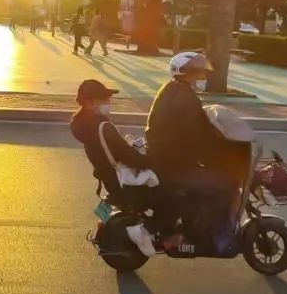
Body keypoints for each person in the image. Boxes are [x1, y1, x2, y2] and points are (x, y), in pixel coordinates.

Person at [145, 52, 238, 250]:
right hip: (175, 165)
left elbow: (195, 130)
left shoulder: (171, 89)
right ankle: (200, 233)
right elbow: (196, 136)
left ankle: (190, 226)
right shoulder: (185, 98)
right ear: (187, 72)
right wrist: (220, 156)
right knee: (226, 184)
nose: (203, 76)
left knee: (208, 180)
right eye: (199, 72)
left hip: (165, 158)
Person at [70, 79, 156, 256]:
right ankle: (147, 231)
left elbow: (116, 152)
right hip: (123, 184)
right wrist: (153, 160)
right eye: (103, 99)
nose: (108, 102)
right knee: (171, 194)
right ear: (88, 103)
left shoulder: (82, 126)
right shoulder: (103, 127)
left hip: (111, 180)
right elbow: (129, 157)